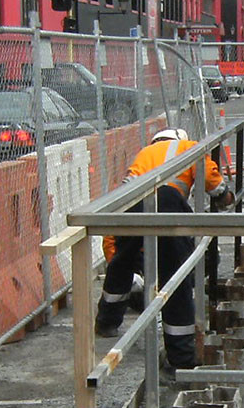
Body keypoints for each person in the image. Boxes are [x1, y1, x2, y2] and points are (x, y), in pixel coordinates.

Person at [96, 128, 234, 371]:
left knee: (122, 264)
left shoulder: (143, 154)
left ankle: (107, 322)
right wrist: (227, 196)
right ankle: (181, 358)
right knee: (177, 277)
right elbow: (215, 185)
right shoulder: (190, 148)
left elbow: (119, 213)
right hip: (168, 204)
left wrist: (120, 256)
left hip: (133, 202)